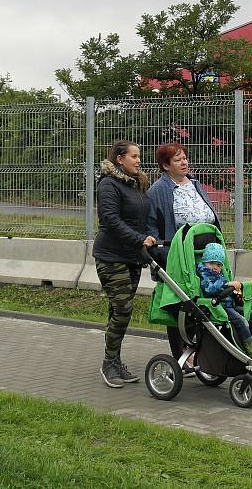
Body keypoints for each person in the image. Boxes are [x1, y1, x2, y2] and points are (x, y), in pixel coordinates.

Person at [147, 142, 221, 363]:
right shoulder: (158, 191)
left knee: (205, 303)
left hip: (205, 255)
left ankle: (203, 352)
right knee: (181, 305)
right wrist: (161, 254)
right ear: (165, 165)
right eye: (178, 159)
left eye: (185, 158)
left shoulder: (196, 185)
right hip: (178, 256)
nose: (184, 162)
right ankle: (182, 355)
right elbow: (151, 226)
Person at [93, 140, 156, 388]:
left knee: (118, 310)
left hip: (131, 258)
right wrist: (140, 239)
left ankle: (115, 360)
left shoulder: (136, 185)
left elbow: (141, 219)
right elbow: (110, 220)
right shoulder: (109, 184)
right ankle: (109, 363)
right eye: (134, 156)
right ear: (120, 159)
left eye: (139, 156)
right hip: (111, 257)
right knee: (123, 308)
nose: (138, 160)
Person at [197, 242, 252, 360]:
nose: (215, 267)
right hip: (217, 307)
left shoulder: (219, 274)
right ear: (205, 262)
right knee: (239, 320)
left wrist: (236, 295)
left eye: (218, 265)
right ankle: (251, 349)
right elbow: (209, 289)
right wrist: (226, 284)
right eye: (212, 263)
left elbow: (227, 290)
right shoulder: (204, 274)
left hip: (228, 305)